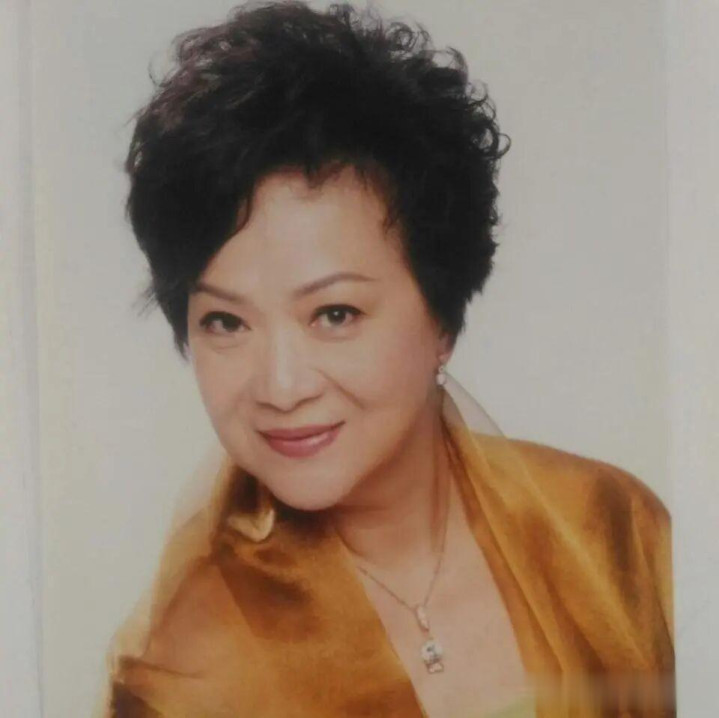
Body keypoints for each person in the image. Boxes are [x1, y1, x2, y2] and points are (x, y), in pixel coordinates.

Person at [97, 2, 674, 716]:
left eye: (334, 314)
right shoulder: (178, 672)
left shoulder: (613, 530)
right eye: (225, 322)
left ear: (443, 319)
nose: (281, 386)